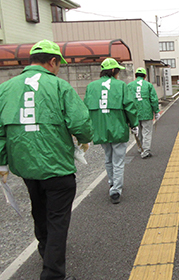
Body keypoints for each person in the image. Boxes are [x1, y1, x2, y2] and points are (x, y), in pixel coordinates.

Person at [0, 39, 93, 280]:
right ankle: (52, 274)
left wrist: (2, 162)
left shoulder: (6, 88)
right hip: (57, 167)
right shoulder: (59, 86)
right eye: (58, 64)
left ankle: (46, 252)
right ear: (52, 61)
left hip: (27, 168)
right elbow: (80, 123)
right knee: (57, 221)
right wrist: (84, 140)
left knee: (39, 213)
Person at [84, 58, 138, 204]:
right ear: (114, 71)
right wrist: (134, 124)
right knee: (118, 160)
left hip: (100, 129)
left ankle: (112, 182)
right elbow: (129, 107)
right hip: (118, 127)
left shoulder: (91, 86)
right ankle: (116, 190)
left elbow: (86, 108)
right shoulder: (120, 85)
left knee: (108, 157)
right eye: (118, 71)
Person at [127, 67, 160, 159]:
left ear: (135, 76)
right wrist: (156, 111)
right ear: (145, 76)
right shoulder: (148, 85)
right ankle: (145, 151)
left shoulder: (129, 85)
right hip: (147, 112)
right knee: (147, 132)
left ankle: (140, 147)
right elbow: (153, 99)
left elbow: (127, 100)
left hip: (134, 113)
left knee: (137, 131)